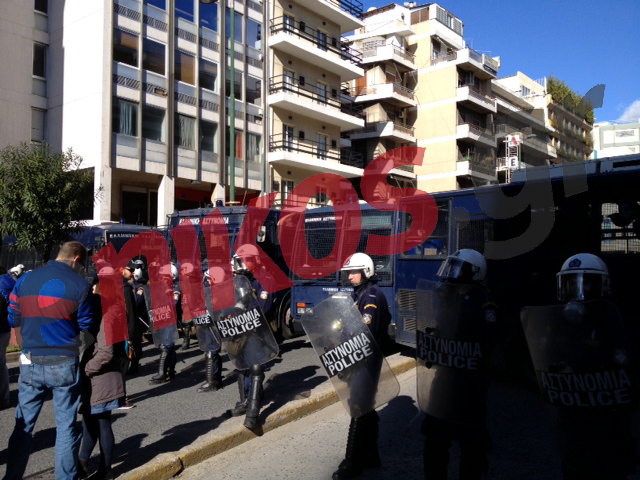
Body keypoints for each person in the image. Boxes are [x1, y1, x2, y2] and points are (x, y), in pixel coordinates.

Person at [522, 253, 638, 480]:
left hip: (606, 412)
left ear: (602, 286)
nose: (578, 291)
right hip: (573, 411)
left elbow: (626, 366)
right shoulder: (560, 323)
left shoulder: (614, 320)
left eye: (587, 283)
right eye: (571, 284)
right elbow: (552, 356)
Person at [3, 241, 94, 480]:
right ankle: (65, 477)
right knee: (65, 425)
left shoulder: (25, 279)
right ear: (77, 259)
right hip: (64, 358)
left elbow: (13, 316)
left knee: (23, 425)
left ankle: (11, 477)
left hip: (30, 357)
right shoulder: (80, 284)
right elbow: (86, 325)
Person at [418, 249, 498, 480]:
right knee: (434, 440)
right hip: (443, 380)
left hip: (468, 383)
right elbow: (441, 329)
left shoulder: (485, 304)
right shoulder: (449, 297)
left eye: (459, 268)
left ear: (474, 272)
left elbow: (487, 342)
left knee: (472, 444)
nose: (452, 273)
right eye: (451, 267)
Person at [332, 252, 392, 480]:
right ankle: (371, 455)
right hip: (360, 359)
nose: (350, 277)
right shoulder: (360, 294)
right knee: (365, 406)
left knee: (358, 406)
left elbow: (366, 331)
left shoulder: (372, 295)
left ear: (366, 271)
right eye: (348, 273)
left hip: (367, 361)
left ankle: (352, 462)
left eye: (354, 272)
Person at [78, 273, 127, 480]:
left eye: (94, 287)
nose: (91, 290)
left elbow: (106, 352)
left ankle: (105, 469)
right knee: (91, 421)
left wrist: (87, 369)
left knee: (102, 423)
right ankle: (82, 462)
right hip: (100, 378)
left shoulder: (108, 316)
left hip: (102, 378)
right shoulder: (110, 312)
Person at [229, 244, 276, 429]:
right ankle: (245, 399)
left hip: (258, 331)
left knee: (256, 367)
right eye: (238, 261)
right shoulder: (239, 280)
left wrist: (246, 306)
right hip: (240, 329)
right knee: (242, 366)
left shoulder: (264, 278)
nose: (240, 265)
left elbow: (265, 308)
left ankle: (253, 410)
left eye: (244, 261)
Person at [147, 263, 178, 385]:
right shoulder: (162, 287)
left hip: (169, 319)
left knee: (167, 345)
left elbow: (174, 304)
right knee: (168, 346)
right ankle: (170, 370)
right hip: (161, 318)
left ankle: (162, 373)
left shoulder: (174, 288)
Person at [196, 267, 224, 392]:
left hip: (215, 325)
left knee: (211, 353)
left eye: (208, 279)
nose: (206, 281)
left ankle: (211, 382)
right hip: (207, 324)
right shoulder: (207, 291)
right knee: (211, 352)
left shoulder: (220, 292)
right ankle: (216, 379)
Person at [122, 263, 142, 375]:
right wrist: (131, 333)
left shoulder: (130, 286)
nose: (132, 272)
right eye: (130, 270)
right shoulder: (125, 288)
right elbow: (130, 311)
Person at [0, 269, 16, 410]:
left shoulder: (2, 283)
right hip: (4, 328)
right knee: (1, 363)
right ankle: (4, 397)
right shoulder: (9, 282)